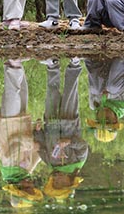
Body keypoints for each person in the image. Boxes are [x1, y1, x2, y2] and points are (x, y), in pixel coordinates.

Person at [34, 57, 88, 201]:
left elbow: (41, 146)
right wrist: (69, 141)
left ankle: (53, 66)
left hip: (51, 123)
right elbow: (83, 146)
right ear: (70, 181)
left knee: (51, 94)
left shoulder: (50, 163)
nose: (57, 180)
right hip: (69, 121)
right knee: (71, 92)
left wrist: (38, 131)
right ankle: (74, 64)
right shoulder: (77, 162)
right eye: (60, 183)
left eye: (55, 183)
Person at [0, 58, 43, 208]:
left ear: (17, 187)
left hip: (8, 123)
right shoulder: (24, 172)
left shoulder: (10, 167)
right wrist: (41, 142)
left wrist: (31, 145)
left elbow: (15, 143)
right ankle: (12, 63)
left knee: (13, 93)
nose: (30, 183)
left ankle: (14, 63)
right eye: (32, 186)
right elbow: (38, 155)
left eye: (27, 187)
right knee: (22, 91)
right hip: (22, 124)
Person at [85, 56, 124, 143]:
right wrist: (109, 94)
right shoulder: (122, 107)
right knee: (112, 88)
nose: (103, 116)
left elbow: (91, 88)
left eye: (99, 120)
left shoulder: (93, 105)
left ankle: (92, 59)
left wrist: (102, 93)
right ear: (115, 120)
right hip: (121, 73)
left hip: (103, 72)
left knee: (95, 89)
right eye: (107, 119)